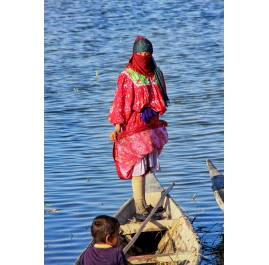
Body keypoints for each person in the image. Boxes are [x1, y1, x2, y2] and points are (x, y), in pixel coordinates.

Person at [108, 36, 169, 221]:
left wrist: (154, 110)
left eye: (147, 53)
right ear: (134, 54)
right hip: (134, 125)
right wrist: (117, 126)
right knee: (137, 166)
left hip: (149, 125)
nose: (144, 56)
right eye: (141, 53)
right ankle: (140, 208)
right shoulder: (127, 76)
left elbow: (162, 98)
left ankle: (143, 206)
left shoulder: (155, 73)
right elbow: (120, 101)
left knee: (145, 166)